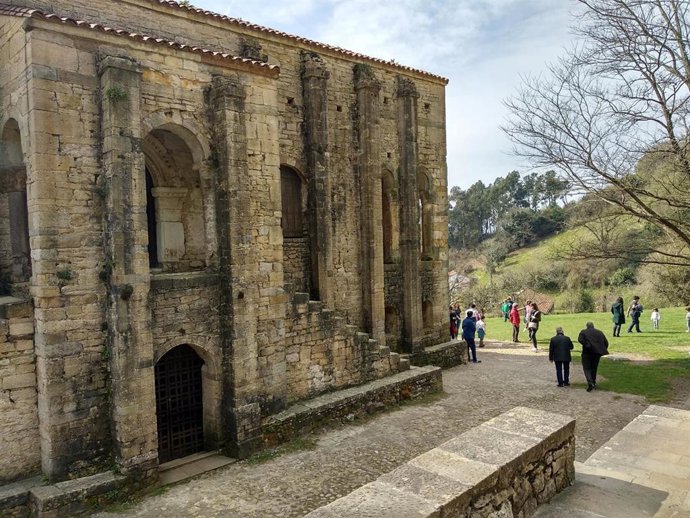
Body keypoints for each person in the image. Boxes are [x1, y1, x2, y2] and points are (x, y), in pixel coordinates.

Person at [578, 321, 609, 392]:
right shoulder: (599, 332)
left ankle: (590, 382)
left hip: (587, 353)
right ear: (593, 326)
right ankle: (593, 382)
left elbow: (580, 340)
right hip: (597, 353)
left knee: (586, 368)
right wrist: (602, 349)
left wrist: (586, 345)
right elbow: (606, 343)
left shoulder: (583, 332)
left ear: (587, 326)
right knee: (594, 368)